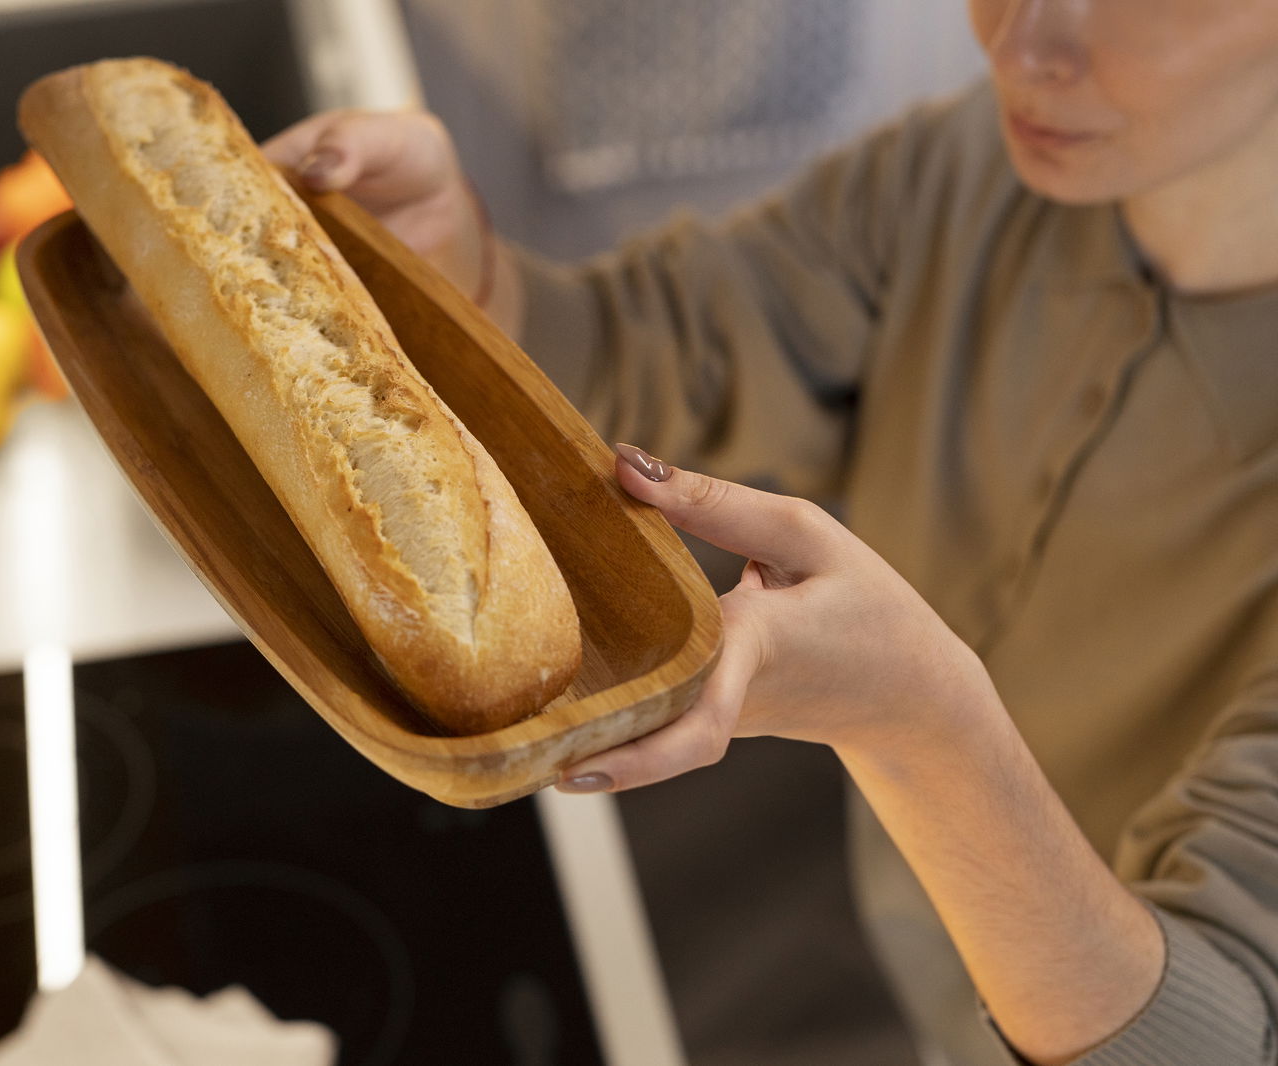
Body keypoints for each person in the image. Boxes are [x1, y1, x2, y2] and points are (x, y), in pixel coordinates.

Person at [264, 1, 1278, 1063]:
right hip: (920, 958)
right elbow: (676, 338)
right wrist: (467, 275)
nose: (1017, 45)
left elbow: (1213, 1038)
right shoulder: (975, 163)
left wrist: (921, 726)